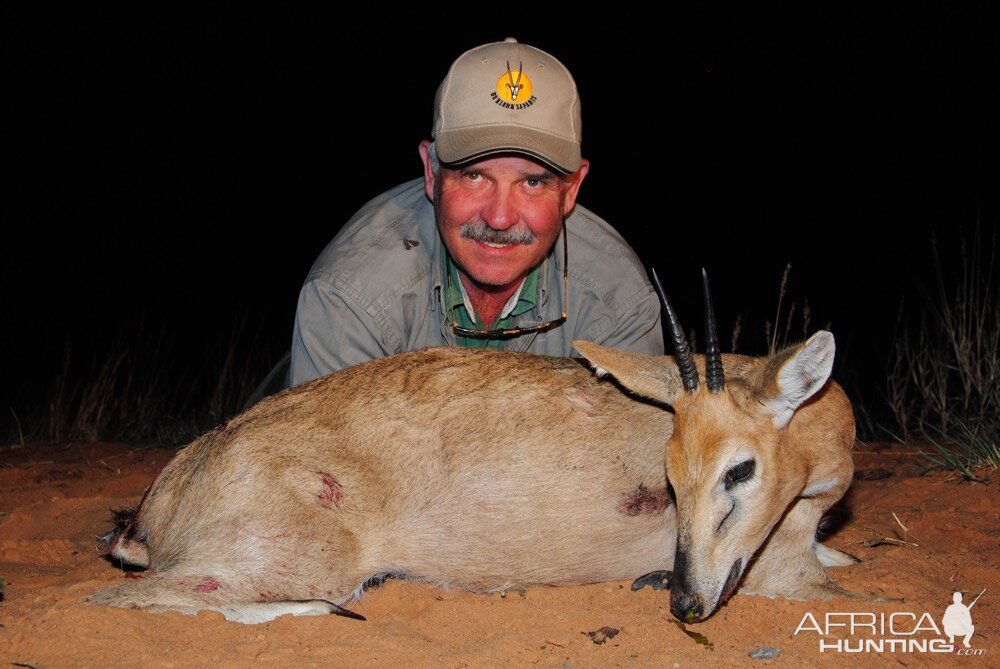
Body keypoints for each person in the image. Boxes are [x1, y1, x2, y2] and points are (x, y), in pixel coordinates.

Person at [248, 38, 663, 403]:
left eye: (533, 182)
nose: (499, 218)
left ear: (571, 189)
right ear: (431, 173)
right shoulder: (351, 298)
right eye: (474, 175)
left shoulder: (620, 301)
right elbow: (328, 477)